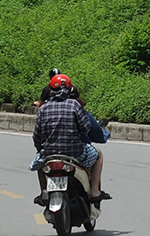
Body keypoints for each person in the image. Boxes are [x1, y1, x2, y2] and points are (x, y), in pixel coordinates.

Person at [30, 74, 107, 204]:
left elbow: (37, 135)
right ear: (71, 89)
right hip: (76, 154)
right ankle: (94, 190)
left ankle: (44, 192)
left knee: (40, 163)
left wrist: (40, 150)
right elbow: (85, 128)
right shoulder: (74, 105)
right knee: (99, 155)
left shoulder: (43, 109)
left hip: (49, 155)